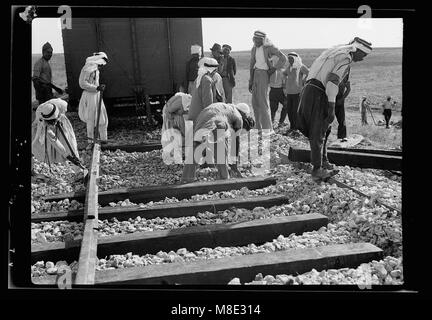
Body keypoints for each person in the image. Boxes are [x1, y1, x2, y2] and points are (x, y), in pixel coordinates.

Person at [297, 37, 372, 182]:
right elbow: (332, 81)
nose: (362, 59)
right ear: (357, 50)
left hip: (309, 90)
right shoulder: (346, 58)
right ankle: (317, 170)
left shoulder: (333, 53)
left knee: (324, 129)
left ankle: (323, 161)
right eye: (363, 55)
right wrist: (331, 107)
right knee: (318, 130)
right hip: (319, 93)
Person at [181, 102, 255, 183]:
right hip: (218, 121)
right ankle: (224, 179)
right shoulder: (238, 116)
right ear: (244, 114)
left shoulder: (226, 108)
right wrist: (234, 166)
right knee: (221, 153)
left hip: (202, 117)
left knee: (196, 149)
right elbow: (235, 142)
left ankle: (186, 180)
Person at [32, 98, 87, 181]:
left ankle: (79, 170)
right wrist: (68, 156)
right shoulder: (41, 116)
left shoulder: (62, 105)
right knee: (34, 145)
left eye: (53, 121)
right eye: (50, 122)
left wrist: (59, 121)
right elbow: (55, 142)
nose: (53, 124)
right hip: (46, 125)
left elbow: (61, 115)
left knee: (70, 142)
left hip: (62, 121)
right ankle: (31, 171)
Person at [248, 30, 287, 134]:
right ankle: (258, 128)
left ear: (262, 39)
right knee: (255, 102)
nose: (255, 41)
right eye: (254, 39)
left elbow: (283, 58)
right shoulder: (254, 48)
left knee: (262, 102)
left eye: (257, 39)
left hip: (264, 75)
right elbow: (252, 64)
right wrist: (250, 80)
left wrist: (274, 69)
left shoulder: (269, 47)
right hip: (255, 74)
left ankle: (267, 129)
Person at [78, 52, 109, 149]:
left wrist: (99, 87)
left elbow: (95, 83)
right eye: (100, 64)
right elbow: (82, 84)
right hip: (90, 96)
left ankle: (103, 139)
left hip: (97, 95)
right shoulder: (87, 69)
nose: (101, 66)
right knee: (91, 119)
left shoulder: (96, 70)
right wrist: (96, 88)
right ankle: (91, 141)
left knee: (102, 116)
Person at [187, 57, 225, 122]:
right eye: (215, 70)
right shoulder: (206, 80)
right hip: (201, 119)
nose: (216, 72)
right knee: (221, 125)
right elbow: (207, 103)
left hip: (196, 116)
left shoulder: (199, 79)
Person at [161, 92, 192, 163]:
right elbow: (168, 111)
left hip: (175, 112)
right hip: (169, 112)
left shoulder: (186, 105)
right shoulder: (175, 106)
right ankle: (174, 155)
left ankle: (180, 153)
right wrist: (172, 123)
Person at [282, 52, 309, 132]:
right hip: (289, 93)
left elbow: (309, 73)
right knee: (289, 110)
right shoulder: (289, 67)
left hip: (298, 93)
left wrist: (304, 80)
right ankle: (292, 127)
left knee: (295, 111)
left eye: (291, 59)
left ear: (295, 59)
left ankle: (297, 128)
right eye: (289, 59)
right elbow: (284, 73)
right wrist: (285, 82)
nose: (289, 60)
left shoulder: (300, 67)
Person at [268, 55, 286, 127]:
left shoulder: (269, 71)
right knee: (286, 105)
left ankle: (271, 122)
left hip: (272, 91)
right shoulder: (282, 71)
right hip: (280, 91)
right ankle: (281, 122)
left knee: (273, 108)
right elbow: (284, 83)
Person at [334, 66, 351, 141]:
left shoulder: (345, 78)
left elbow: (348, 89)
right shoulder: (334, 75)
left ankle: (342, 136)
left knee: (341, 119)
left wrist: (342, 99)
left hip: (340, 99)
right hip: (330, 98)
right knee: (326, 118)